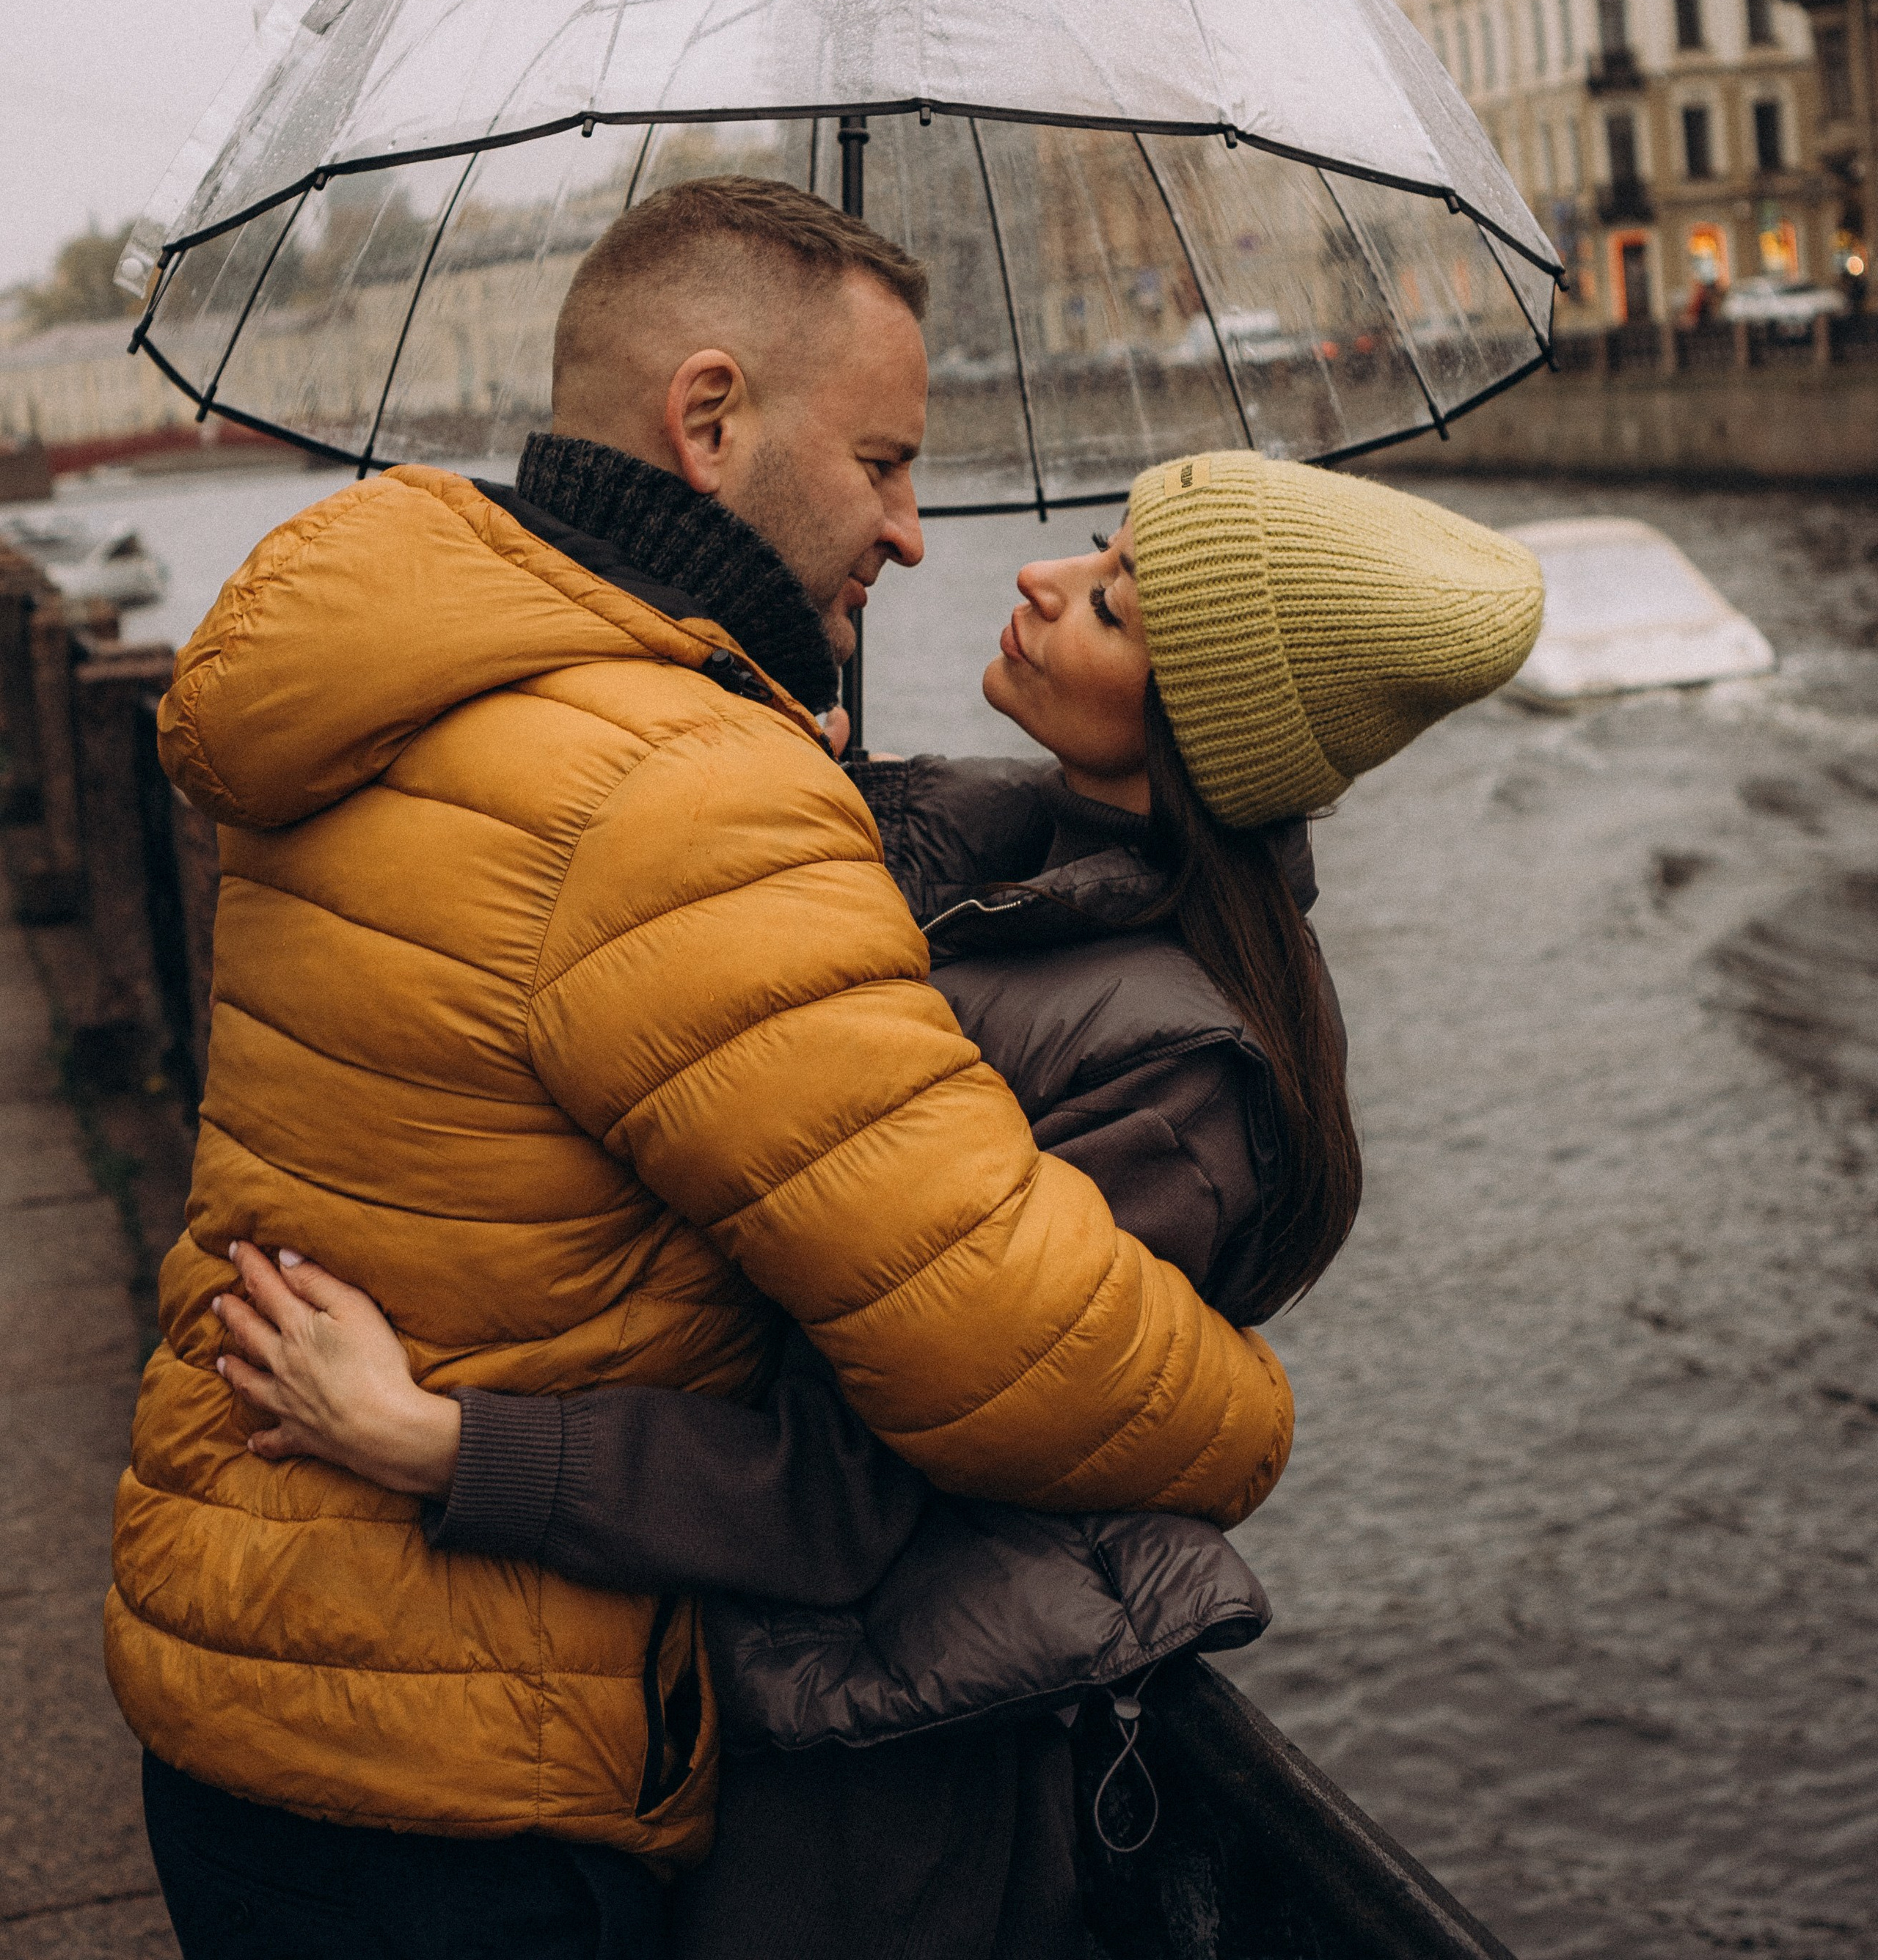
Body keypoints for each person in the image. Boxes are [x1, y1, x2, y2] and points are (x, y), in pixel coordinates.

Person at [109, 180, 1298, 1960]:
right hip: (468, 1760)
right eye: (883, 461)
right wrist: (1250, 1424)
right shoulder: (677, 783)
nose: (909, 533)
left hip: (244, 1647)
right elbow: (995, 1330)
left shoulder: (419, 657)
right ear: (713, 415)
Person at [204, 445, 1546, 1957]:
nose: (1043, 581)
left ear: (1193, 732)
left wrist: (439, 1443)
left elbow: (855, 1491)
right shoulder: (961, 869)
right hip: (721, 1693)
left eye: (1111, 604)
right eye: (1099, 553)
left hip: (872, 1783)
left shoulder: (1174, 1082)